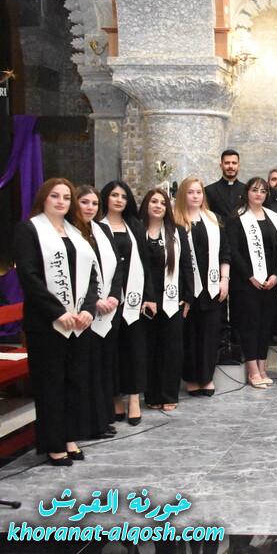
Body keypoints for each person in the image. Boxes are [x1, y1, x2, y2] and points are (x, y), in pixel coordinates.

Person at [13, 178, 98, 466]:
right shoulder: (29, 230)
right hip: (47, 323)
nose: (61, 201)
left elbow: (92, 276)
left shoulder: (76, 233)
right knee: (50, 384)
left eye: (66, 197)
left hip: (78, 324)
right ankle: (53, 443)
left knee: (75, 382)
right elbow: (29, 276)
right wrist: (57, 312)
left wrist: (88, 310)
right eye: (55, 196)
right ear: (44, 199)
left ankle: (70, 436)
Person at [99, 180, 153, 426]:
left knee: (134, 349)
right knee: (112, 351)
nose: (119, 200)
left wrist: (149, 296)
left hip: (133, 297)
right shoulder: (97, 227)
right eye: (114, 195)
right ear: (106, 198)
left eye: (123, 196)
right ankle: (115, 398)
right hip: (107, 300)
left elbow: (145, 264)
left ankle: (133, 399)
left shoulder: (135, 227)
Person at [174, 177, 230, 398]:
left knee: (209, 334)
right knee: (189, 335)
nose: (195, 196)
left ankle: (206, 377)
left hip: (211, 287)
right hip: (186, 289)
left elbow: (225, 251)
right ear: (183, 195)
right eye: (190, 192)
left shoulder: (214, 219)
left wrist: (224, 279)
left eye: (198, 192)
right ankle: (191, 378)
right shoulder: (176, 221)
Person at [140, 188, 194, 412]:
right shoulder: (137, 231)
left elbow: (187, 265)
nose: (158, 206)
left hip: (173, 300)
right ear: (146, 204)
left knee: (171, 349)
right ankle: (152, 395)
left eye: (163, 203)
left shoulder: (177, 232)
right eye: (154, 201)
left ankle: (169, 394)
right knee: (150, 348)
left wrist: (188, 297)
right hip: (146, 301)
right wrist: (145, 297)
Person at [225, 177, 277, 389]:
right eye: (255, 190)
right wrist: (250, 275)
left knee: (265, 326)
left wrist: (275, 274)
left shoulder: (274, 217)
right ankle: (253, 370)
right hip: (246, 282)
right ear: (247, 192)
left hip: (270, 281)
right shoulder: (237, 217)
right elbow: (233, 250)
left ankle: (263, 367)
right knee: (250, 325)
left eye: (263, 191)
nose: (259, 194)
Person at [76, 186, 121, 439]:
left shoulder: (102, 230)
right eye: (84, 202)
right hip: (84, 312)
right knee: (88, 369)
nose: (90, 207)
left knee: (105, 367)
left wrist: (113, 295)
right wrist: (95, 302)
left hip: (109, 310)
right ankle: (90, 423)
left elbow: (117, 266)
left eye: (94, 203)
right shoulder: (70, 232)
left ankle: (103, 419)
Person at [205, 149, 245, 218]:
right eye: (227, 163)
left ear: (238, 166)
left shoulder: (246, 190)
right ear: (221, 166)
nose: (230, 166)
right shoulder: (209, 190)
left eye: (234, 163)